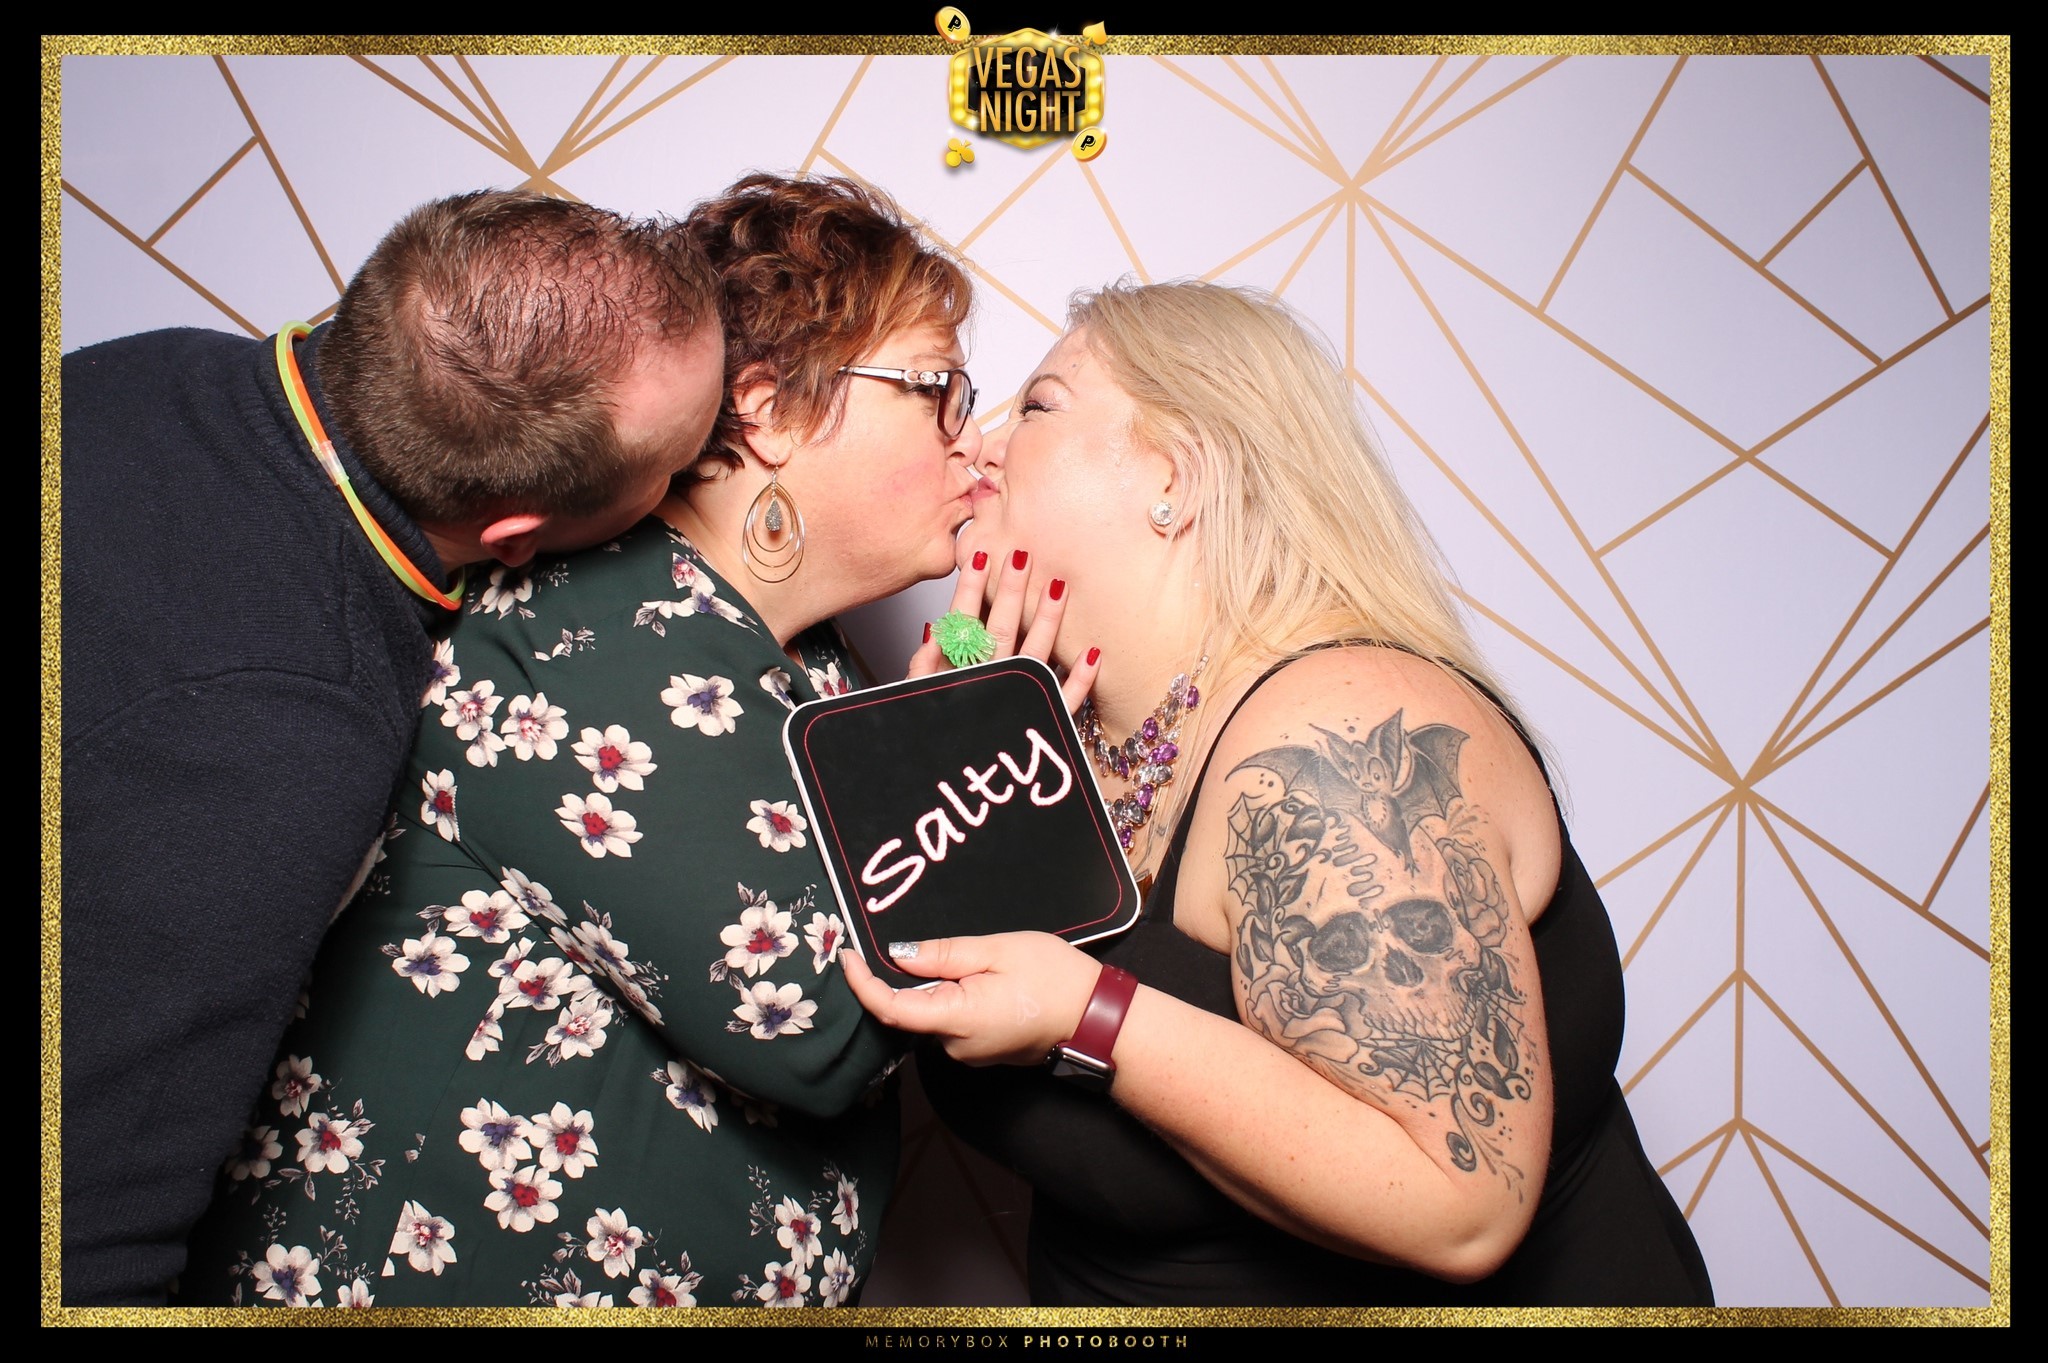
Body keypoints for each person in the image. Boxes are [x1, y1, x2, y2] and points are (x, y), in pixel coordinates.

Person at [169, 174, 1075, 1310]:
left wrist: (937, 741)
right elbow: (826, 1023)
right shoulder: (584, 631)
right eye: (936, 388)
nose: (974, 444)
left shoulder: (816, 664)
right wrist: (969, 759)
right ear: (770, 410)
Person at [843, 280, 1716, 1306]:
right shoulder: (1061, 747)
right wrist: (942, 768)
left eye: (1037, 405)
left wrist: (1087, 1013)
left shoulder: (1334, 737)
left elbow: (1463, 1201)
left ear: (1175, 476)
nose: (982, 446)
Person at [59, 190, 726, 1307]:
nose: (686, 489)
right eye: (677, 467)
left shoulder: (155, 365)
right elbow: (85, 1234)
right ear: (516, 534)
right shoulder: (293, 730)